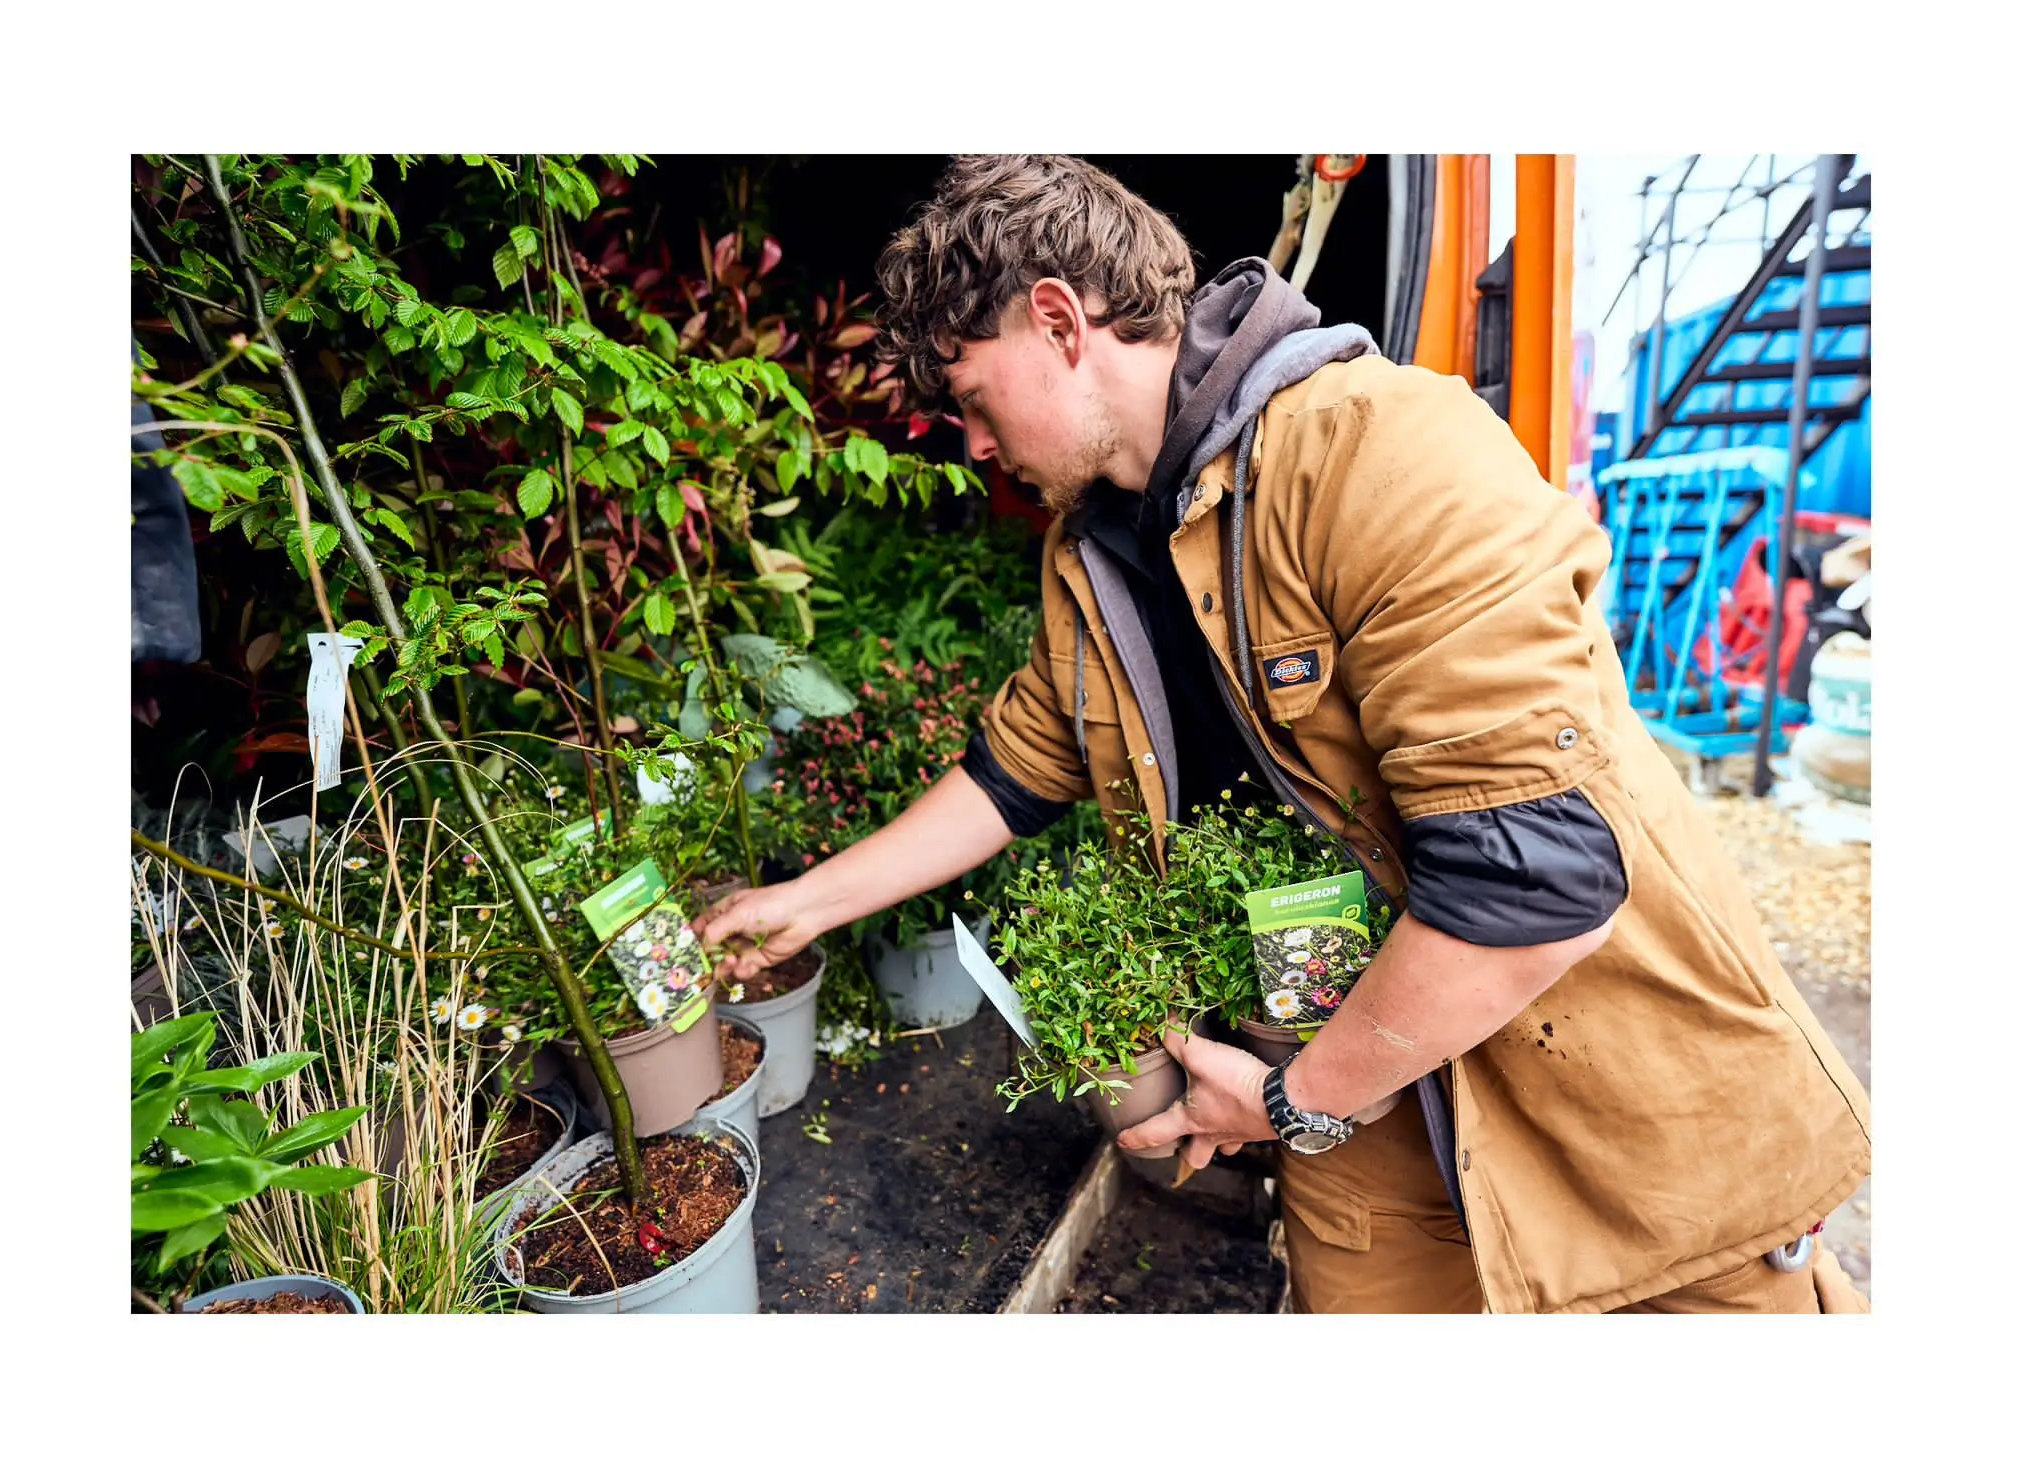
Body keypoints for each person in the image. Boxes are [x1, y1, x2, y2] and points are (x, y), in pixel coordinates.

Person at [695, 154, 1871, 1314]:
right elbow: (1020, 766)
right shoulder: (1090, 552)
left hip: (1610, 1103)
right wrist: (804, 903)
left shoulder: (1381, 447)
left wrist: (1293, 1098)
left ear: (1056, 320)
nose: (972, 443)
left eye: (970, 396)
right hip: (1353, 1101)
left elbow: (1528, 883)